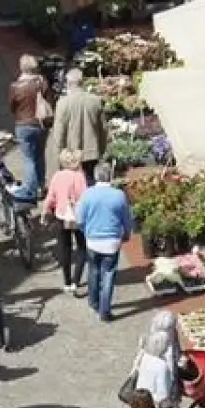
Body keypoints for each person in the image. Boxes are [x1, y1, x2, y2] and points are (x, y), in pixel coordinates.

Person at [75, 162, 132, 322]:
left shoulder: (87, 194)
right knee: (108, 275)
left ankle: (93, 301)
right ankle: (105, 310)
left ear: (95, 176)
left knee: (93, 271)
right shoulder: (119, 195)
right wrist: (126, 234)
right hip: (112, 242)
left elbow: (79, 218)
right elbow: (127, 219)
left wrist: (85, 230)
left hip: (93, 240)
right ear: (110, 176)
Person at [47, 68, 108, 180]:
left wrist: (58, 154)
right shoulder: (95, 101)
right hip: (92, 152)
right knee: (90, 182)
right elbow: (103, 128)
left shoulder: (63, 103)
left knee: (73, 186)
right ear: (82, 82)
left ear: (68, 84)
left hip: (71, 155)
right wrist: (102, 149)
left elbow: (59, 132)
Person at [42, 147, 88, 293]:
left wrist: (45, 212)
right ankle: (76, 280)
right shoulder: (80, 176)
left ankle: (67, 281)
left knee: (65, 248)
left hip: (61, 215)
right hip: (78, 216)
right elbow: (85, 197)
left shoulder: (57, 176)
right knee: (82, 247)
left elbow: (51, 197)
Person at [8, 55, 51, 199]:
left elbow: (12, 106)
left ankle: (30, 190)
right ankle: (41, 186)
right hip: (41, 124)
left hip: (23, 124)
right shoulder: (42, 82)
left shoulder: (15, 87)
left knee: (28, 158)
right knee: (39, 155)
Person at [132, 329, 176, 404]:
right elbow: (163, 393)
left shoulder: (145, 356)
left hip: (140, 395)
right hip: (152, 401)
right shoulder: (162, 365)